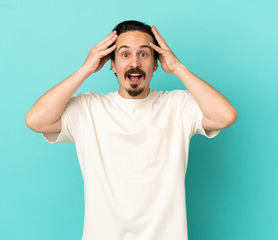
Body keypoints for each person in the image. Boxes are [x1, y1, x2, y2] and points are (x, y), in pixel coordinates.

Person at [25, 20, 237, 240]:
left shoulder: (178, 106)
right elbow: (36, 120)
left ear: (156, 64)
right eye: (125, 55)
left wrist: (178, 68)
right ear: (112, 64)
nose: (134, 63)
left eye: (144, 54)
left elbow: (225, 116)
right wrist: (85, 69)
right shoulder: (88, 109)